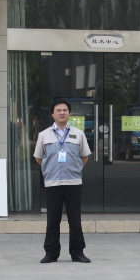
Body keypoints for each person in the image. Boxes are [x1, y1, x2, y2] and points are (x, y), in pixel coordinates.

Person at [33, 99, 92, 263]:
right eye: (58, 110)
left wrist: (75, 169)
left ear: (69, 113)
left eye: (65, 110)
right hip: (53, 183)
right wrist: (49, 169)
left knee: (75, 220)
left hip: (73, 183)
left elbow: (84, 157)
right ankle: (51, 253)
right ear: (52, 114)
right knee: (53, 220)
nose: (62, 113)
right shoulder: (44, 135)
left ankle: (77, 253)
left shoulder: (78, 134)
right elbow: (38, 158)